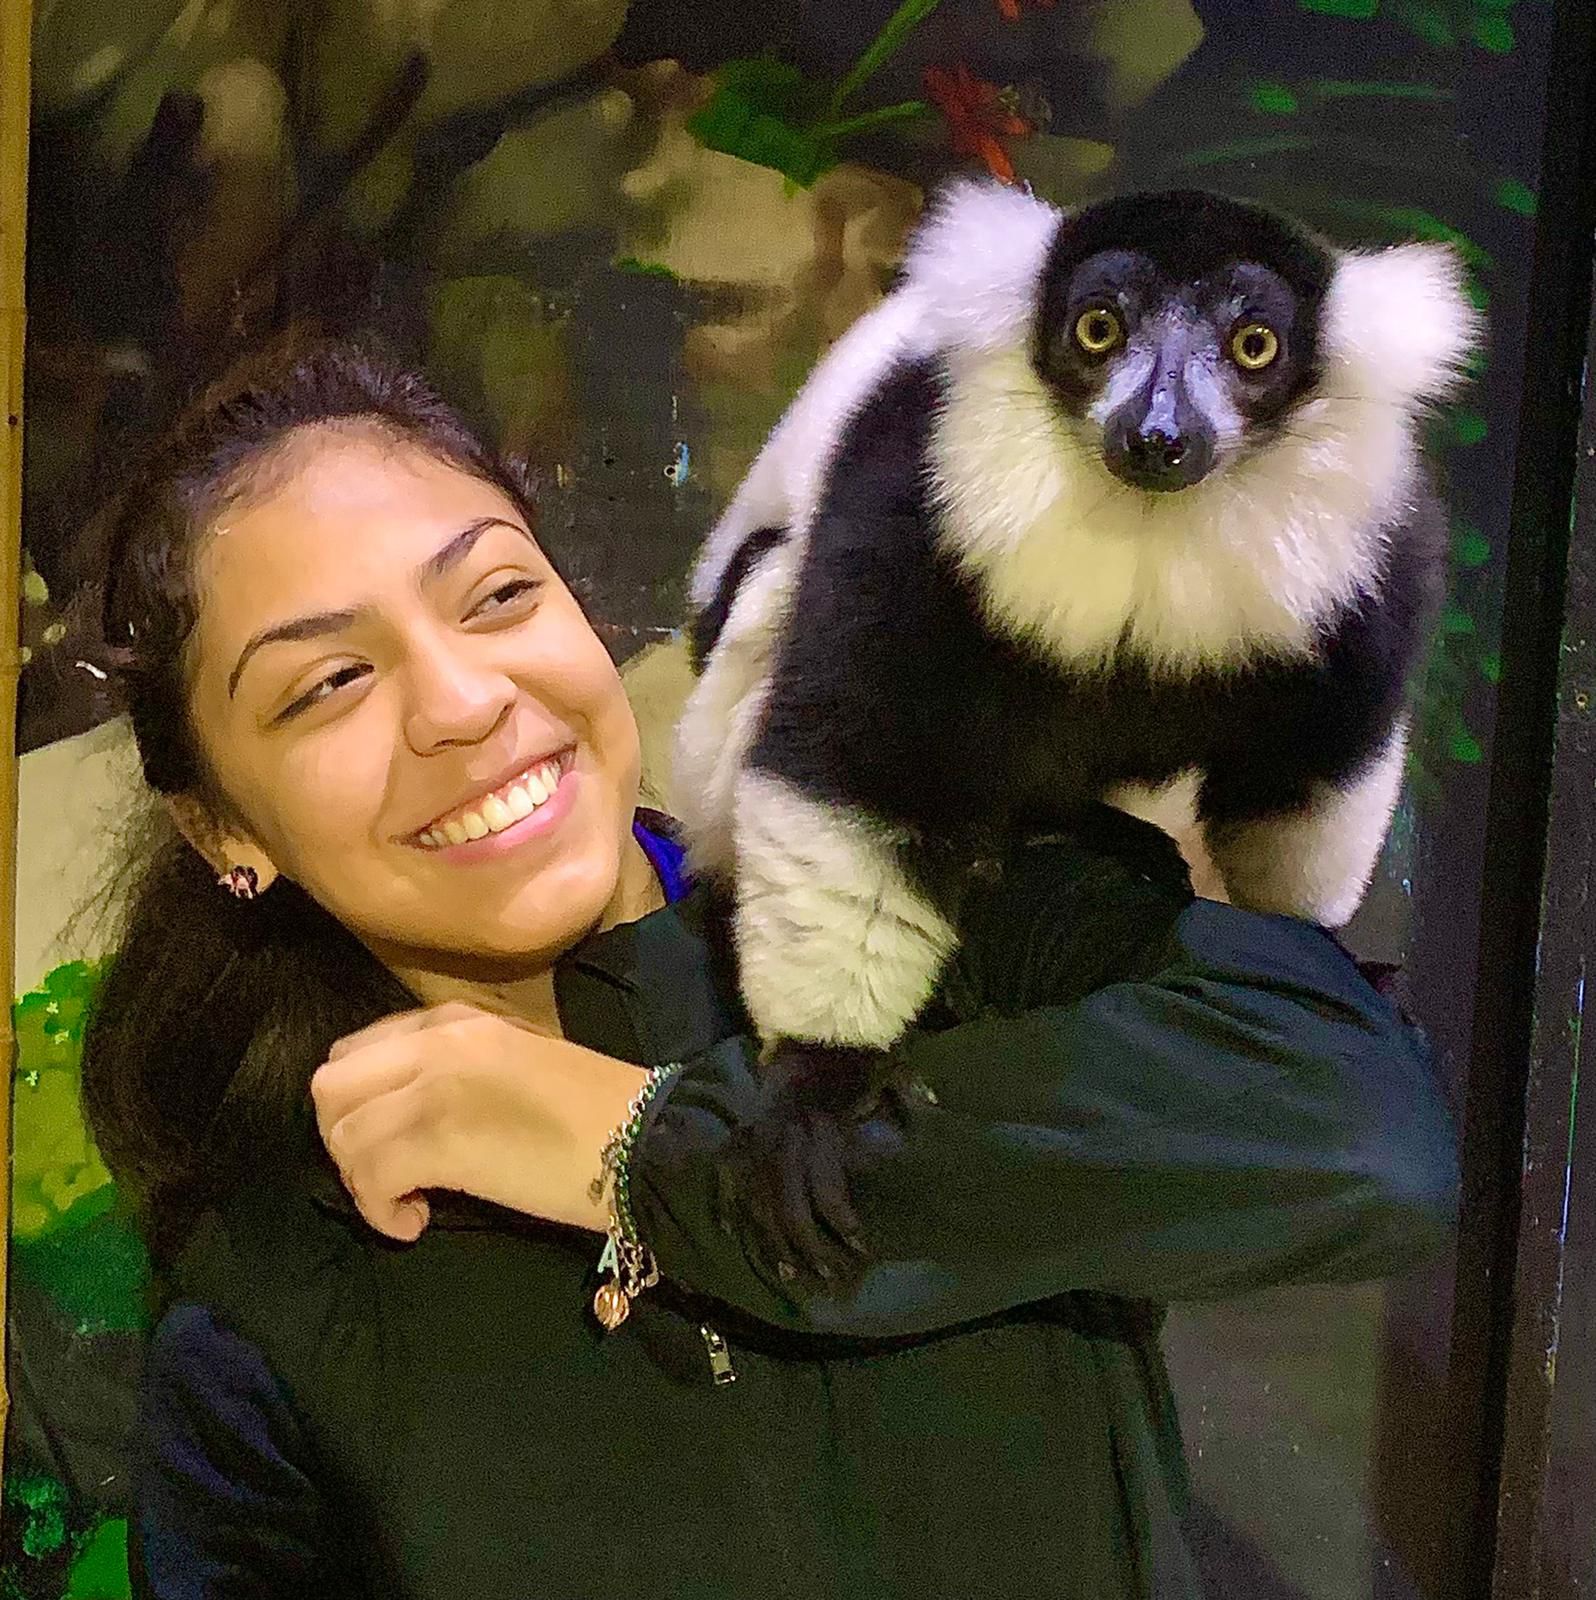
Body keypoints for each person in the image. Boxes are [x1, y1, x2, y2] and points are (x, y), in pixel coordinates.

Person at [81, 337, 1459, 1600]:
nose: (460, 704)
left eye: (497, 595)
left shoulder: (930, 899)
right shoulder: (274, 1299)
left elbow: (1362, 1129)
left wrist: (643, 1150)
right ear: (226, 828)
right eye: (327, 685)